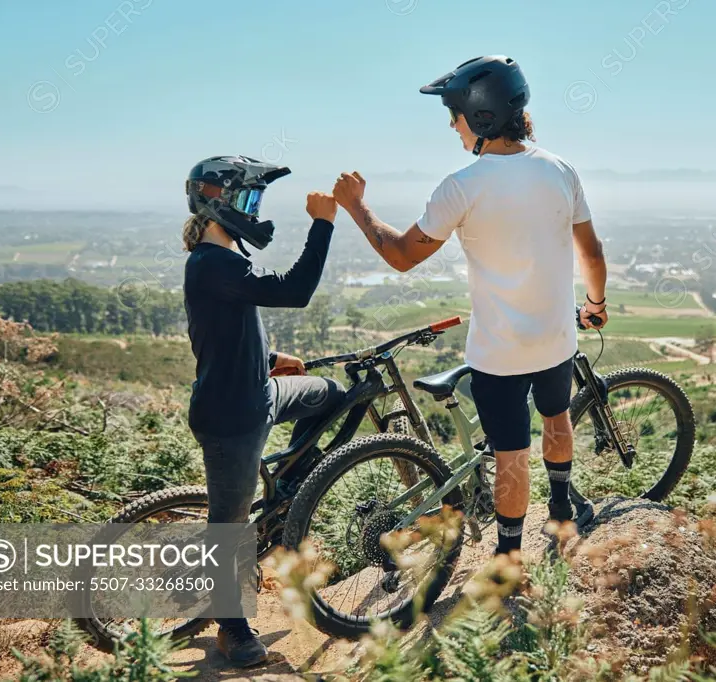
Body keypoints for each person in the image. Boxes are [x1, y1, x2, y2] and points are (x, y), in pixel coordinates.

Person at [330, 56, 608, 558]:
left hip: (500, 353)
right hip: (556, 339)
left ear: (479, 118)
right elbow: (592, 252)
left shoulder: (461, 186)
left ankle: (507, 558)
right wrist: (595, 303)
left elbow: (399, 256)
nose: (451, 126)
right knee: (556, 416)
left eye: (453, 115)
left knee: (511, 456)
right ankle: (564, 511)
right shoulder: (561, 170)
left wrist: (355, 206)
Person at [183, 155, 345, 667]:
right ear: (219, 204)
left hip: (262, 391)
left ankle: (286, 487)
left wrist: (272, 360)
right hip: (231, 417)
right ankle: (232, 626)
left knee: (335, 394)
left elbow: (215, 334)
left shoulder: (219, 264)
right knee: (228, 526)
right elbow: (295, 292)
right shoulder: (213, 263)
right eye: (248, 200)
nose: (254, 210)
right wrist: (323, 221)